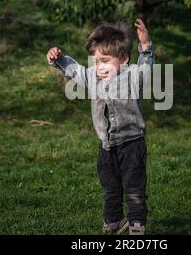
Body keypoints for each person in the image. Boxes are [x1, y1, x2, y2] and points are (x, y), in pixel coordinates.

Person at [46, 18, 155, 235]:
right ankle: (113, 222)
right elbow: (75, 69)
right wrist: (58, 59)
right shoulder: (92, 78)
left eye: (104, 60)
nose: (99, 66)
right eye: (95, 61)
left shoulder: (132, 75)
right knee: (110, 188)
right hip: (106, 147)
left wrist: (145, 46)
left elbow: (146, 68)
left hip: (132, 146)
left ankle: (136, 228)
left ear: (123, 59)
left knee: (134, 191)